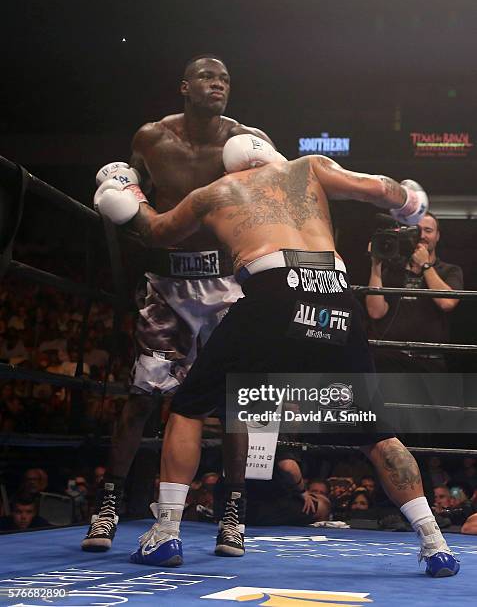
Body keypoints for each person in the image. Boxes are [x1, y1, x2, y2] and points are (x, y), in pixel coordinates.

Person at [96, 137, 459, 577]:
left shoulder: (214, 193)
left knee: (189, 408)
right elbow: (382, 190)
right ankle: (435, 542)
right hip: (333, 296)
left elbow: (154, 231)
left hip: (272, 292)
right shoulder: (308, 168)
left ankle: (165, 534)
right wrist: (411, 203)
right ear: (269, 153)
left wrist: (126, 191)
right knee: (377, 433)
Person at [82, 54, 276, 552]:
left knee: (233, 405)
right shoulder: (150, 139)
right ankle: (107, 506)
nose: (218, 85)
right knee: (141, 399)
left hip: (224, 286)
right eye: (208, 77)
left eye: (226, 79)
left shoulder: (246, 141)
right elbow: (133, 204)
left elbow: (276, 199)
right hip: (165, 288)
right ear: (184, 87)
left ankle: (233, 513)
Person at [366, 212, 463, 374]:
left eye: (428, 230)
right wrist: (376, 265)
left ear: (437, 236)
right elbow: (376, 312)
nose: (422, 235)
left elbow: (447, 303)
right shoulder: (394, 270)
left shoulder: (450, 270)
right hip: (392, 358)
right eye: (417, 230)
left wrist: (425, 265)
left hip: (430, 361)